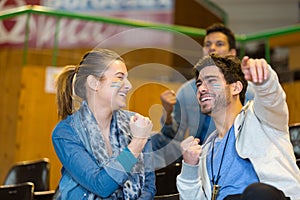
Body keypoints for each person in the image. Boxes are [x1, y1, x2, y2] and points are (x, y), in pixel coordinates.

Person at [176, 54, 300, 200]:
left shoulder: (261, 119)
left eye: (211, 81)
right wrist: (189, 168)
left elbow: (271, 99)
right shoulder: (205, 151)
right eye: (199, 84)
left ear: (236, 87)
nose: (202, 89)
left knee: (258, 192)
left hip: (263, 196)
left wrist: (264, 79)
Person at [52, 49, 156, 199]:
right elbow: (101, 185)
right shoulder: (66, 132)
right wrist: (137, 142)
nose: (129, 85)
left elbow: (149, 187)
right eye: (120, 78)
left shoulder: (137, 123)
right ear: (94, 83)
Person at [151, 23, 254, 167]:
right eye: (207, 44)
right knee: (153, 139)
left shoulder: (248, 91)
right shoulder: (186, 90)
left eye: (219, 44)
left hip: (232, 151)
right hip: (195, 153)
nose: (212, 48)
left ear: (232, 52)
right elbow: (173, 136)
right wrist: (168, 114)